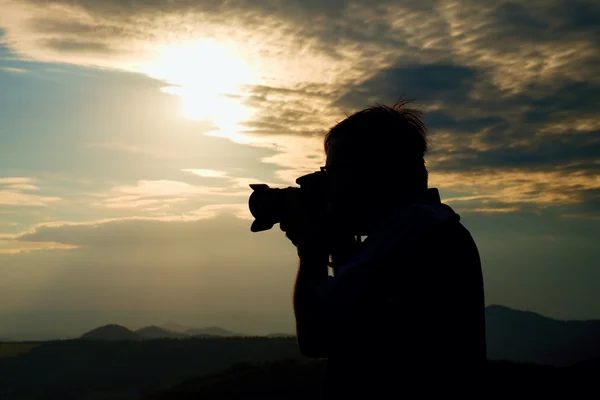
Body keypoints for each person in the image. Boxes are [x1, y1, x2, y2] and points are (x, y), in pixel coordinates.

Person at [280, 98, 487, 398]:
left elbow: (317, 336)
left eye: (334, 171)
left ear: (372, 171)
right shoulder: (429, 228)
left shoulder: (410, 238)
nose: (330, 187)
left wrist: (310, 246)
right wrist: (337, 239)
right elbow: (362, 313)